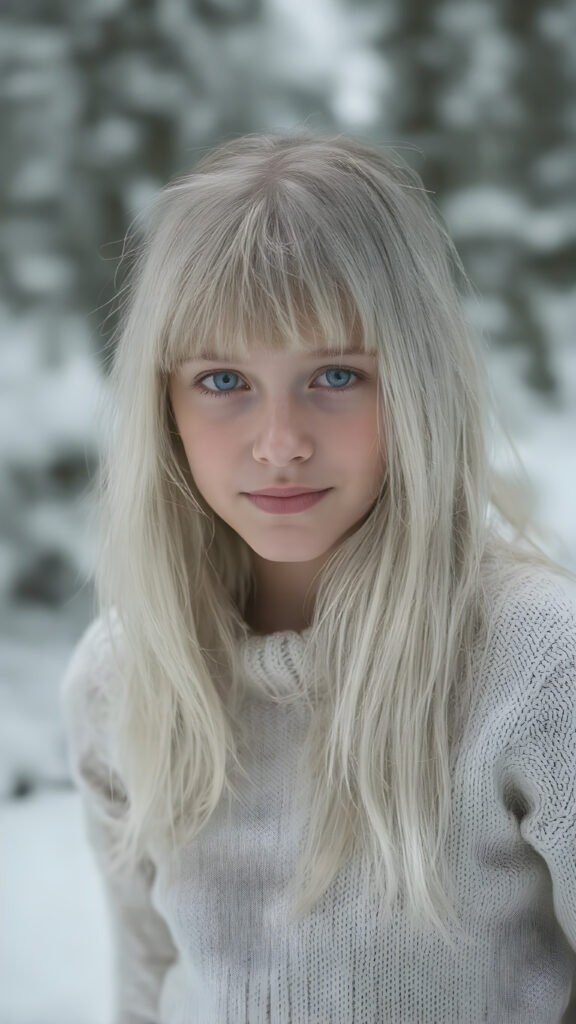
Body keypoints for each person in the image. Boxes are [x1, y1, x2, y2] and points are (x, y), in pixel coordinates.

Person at [61, 133, 576, 1023]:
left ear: (415, 384)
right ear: (164, 406)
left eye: (336, 374)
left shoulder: (539, 665)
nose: (280, 442)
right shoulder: (120, 679)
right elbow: (146, 987)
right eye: (224, 380)